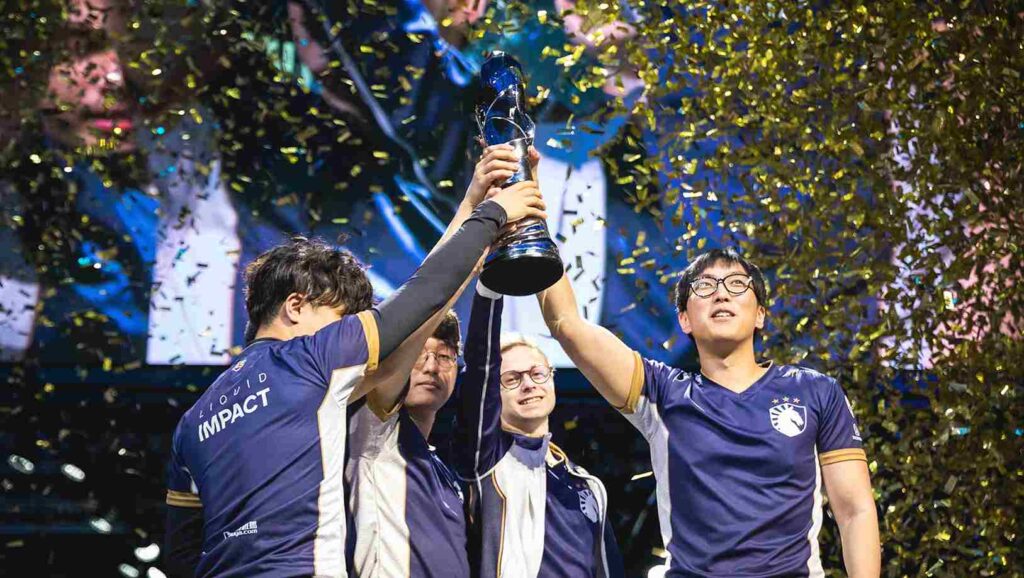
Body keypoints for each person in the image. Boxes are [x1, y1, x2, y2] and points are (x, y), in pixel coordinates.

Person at [162, 177, 545, 577]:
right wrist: (493, 214)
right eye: (341, 318)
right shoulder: (311, 359)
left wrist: (468, 205)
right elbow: (422, 296)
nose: (346, 330)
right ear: (296, 306)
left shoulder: (192, 421)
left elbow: (182, 556)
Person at [536, 247, 881, 577]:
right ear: (684, 319)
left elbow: (854, 511)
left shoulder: (815, 391)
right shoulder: (661, 393)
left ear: (760, 314)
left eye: (736, 284)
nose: (721, 294)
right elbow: (567, 324)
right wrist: (532, 224)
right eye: (704, 286)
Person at [344, 143, 530, 577]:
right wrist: (474, 207)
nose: (430, 366)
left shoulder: (447, 474)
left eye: (445, 357)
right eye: (421, 354)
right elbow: (424, 297)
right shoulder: (372, 432)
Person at [456, 285, 624, 578]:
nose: (529, 384)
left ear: (552, 380)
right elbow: (479, 370)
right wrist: (492, 288)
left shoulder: (589, 486)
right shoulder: (485, 460)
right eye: (512, 378)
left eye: (537, 374)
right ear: (493, 393)